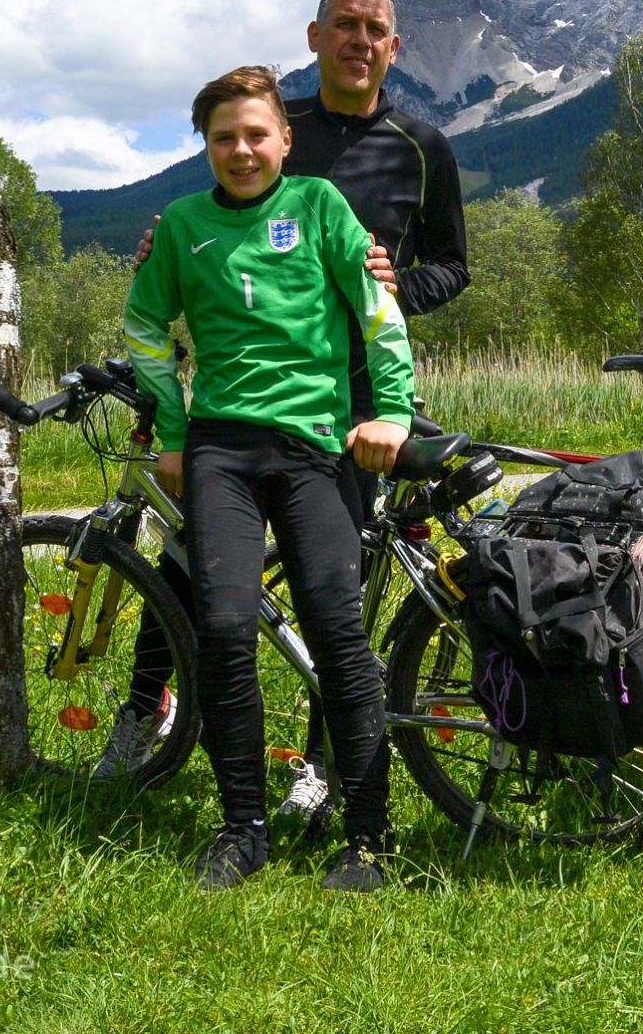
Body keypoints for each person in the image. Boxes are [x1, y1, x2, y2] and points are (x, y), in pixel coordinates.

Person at [133, 0, 470, 823]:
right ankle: (148, 711)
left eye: (377, 30)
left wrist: (399, 284)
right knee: (202, 583)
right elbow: (216, 212)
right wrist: (172, 245)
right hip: (231, 414)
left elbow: (451, 266)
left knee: (337, 597)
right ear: (315, 37)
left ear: (393, 47)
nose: (360, 40)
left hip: (347, 402)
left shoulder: (421, 143)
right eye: (344, 26)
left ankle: (323, 773)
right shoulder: (275, 128)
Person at [124, 64, 412, 893]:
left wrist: (390, 410)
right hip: (219, 450)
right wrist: (172, 428)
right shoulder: (181, 225)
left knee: (335, 632)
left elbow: (376, 309)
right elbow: (146, 319)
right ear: (205, 147)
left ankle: (367, 837)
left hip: (314, 450)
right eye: (223, 138)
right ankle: (242, 826)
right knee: (219, 627)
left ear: (285, 139)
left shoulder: (320, 205)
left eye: (256, 135)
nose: (241, 151)